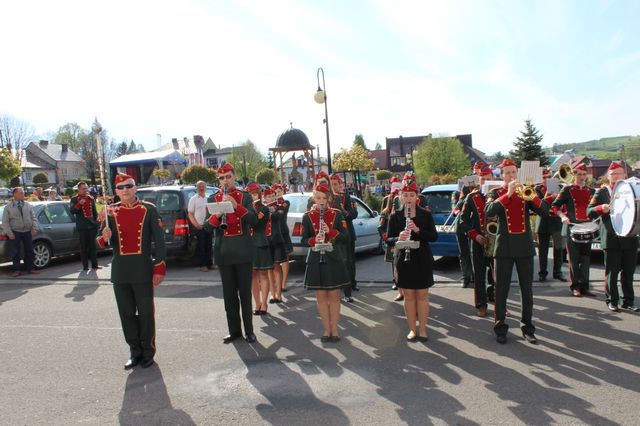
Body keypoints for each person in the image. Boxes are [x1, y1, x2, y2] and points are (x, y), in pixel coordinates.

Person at [96, 173, 166, 369]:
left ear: (135, 188)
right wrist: (104, 237)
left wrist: (159, 267)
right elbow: (99, 242)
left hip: (142, 269)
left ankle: (148, 351)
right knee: (126, 313)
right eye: (121, 187)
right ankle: (134, 351)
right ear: (116, 191)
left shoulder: (148, 209)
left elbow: (159, 241)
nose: (125, 190)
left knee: (145, 313)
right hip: (121, 271)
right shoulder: (111, 211)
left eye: (129, 186)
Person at [485, 159, 549, 345]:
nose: (511, 175)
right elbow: (489, 211)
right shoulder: (496, 192)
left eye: (514, 172)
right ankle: (500, 328)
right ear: (502, 175)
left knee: (526, 290)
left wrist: (533, 197)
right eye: (508, 173)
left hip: (524, 247)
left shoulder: (527, 191)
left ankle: (527, 328)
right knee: (501, 290)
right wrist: (509, 194)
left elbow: (545, 211)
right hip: (503, 248)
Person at [207, 163, 258, 343]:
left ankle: (249, 330)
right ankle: (234, 331)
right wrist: (217, 215)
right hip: (224, 253)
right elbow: (206, 227)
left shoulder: (245, 197)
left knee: (245, 294)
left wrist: (237, 206)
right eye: (222, 178)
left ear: (234, 176)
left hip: (243, 252)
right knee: (229, 296)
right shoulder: (213, 198)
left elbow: (254, 221)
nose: (225, 181)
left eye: (228, 177)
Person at [386, 179, 438, 342]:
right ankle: (412, 330)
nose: (408, 198)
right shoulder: (395, 215)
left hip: (422, 258)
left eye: (411, 195)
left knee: (422, 295)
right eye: (405, 195)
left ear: (417, 197)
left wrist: (418, 230)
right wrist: (398, 237)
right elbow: (388, 239)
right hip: (404, 260)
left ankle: (422, 330)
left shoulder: (425, 214)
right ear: (401, 196)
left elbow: (433, 236)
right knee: (408, 296)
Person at [587, 161, 639, 312]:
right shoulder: (602, 192)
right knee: (612, 272)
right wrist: (600, 208)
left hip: (630, 237)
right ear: (608, 176)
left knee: (628, 273)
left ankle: (628, 301)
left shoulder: (632, 190)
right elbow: (589, 212)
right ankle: (612, 301)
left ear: (625, 175)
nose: (616, 176)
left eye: (619, 173)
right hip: (611, 238)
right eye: (613, 174)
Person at [301, 183, 350, 342]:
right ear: (313, 198)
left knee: (334, 296)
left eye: (324, 198)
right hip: (316, 258)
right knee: (321, 297)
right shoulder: (307, 216)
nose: (321, 201)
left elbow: (346, 237)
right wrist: (315, 239)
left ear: (329, 198)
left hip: (333, 258)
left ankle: (334, 329)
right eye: (318, 198)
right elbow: (303, 240)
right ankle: (326, 330)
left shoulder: (337, 214)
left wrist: (332, 232)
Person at [552, 164, 596, 297]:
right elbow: (555, 206)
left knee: (586, 259)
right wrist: (562, 216)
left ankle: (585, 287)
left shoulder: (592, 191)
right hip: (572, 227)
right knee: (574, 259)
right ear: (574, 175)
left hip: (587, 228)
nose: (582, 177)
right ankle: (575, 286)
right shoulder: (567, 189)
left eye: (584, 174)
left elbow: (596, 208)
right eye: (579, 174)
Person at [459, 166, 495, 317]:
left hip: (497, 241)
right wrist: (475, 235)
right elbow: (463, 220)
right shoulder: (472, 197)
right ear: (479, 180)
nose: (486, 181)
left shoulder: (501, 195)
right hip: (478, 241)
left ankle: (499, 303)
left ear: (493, 179)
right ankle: (481, 304)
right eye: (483, 179)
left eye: (488, 178)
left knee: (498, 276)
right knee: (479, 276)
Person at [330, 174, 359, 300]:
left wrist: (343, 211)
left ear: (340, 185)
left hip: (347, 234)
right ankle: (339, 285)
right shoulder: (326, 197)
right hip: (333, 235)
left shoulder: (346, 197)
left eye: (335, 184)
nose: (333, 187)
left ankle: (352, 283)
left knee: (349, 261)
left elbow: (354, 214)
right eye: (331, 184)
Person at [534, 168, 566, 283]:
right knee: (543, 250)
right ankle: (542, 273)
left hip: (556, 221)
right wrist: (549, 195)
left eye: (549, 177)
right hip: (543, 222)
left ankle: (558, 272)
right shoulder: (537, 189)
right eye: (544, 178)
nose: (547, 180)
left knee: (558, 248)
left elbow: (564, 203)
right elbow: (538, 205)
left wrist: (558, 196)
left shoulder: (560, 187)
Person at [246, 182, 273, 315]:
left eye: (255, 194)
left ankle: (264, 303)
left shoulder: (264, 208)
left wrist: (250, 210)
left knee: (263, 274)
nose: (253, 197)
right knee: (252, 276)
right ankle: (257, 303)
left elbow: (255, 222)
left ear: (259, 195)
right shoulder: (246, 209)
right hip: (248, 244)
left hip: (260, 242)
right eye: (250, 195)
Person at [2, 187, 39, 277]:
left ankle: (31, 268)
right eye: (21, 193)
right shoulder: (8, 207)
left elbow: (33, 217)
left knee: (29, 250)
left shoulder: (28, 205)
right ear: (15, 194)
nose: (23, 194)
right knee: (15, 252)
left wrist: (34, 227)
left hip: (27, 231)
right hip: (15, 232)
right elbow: (5, 222)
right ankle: (17, 270)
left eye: (23, 193)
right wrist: (9, 233)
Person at [69, 182, 100, 271]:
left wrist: (97, 222)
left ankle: (94, 265)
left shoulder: (90, 198)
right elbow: (72, 211)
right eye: (83, 188)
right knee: (83, 247)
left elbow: (94, 212)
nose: (85, 190)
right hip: (82, 226)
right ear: (78, 189)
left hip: (92, 225)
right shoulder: (74, 199)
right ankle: (85, 266)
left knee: (93, 246)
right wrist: (79, 204)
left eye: (86, 188)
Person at [265, 187, 286, 303]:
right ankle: (272, 294)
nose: (271, 198)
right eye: (269, 197)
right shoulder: (262, 207)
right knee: (269, 268)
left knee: (277, 267)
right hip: (266, 241)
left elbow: (278, 216)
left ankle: (279, 294)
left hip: (276, 240)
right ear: (265, 198)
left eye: (273, 196)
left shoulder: (280, 206)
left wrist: (268, 211)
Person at [187, 181, 213, 272]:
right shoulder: (193, 199)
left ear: (206, 188)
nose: (201, 188)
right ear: (197, 188)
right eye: (199, 187)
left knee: (208, 246)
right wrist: (196, 225)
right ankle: (202, 265)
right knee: (201, 247)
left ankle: (209, 264)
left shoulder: (208, 199)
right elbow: (190, 214)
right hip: (198, 226)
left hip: (208, 226)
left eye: (203, 186)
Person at [273, 183, 292, 292]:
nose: (277, 193)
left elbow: (281, 210)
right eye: (275, 192)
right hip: (274, 233)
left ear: (283, 191)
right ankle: (276, 283)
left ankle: (284, 283)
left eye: (279, 191)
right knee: (274, 260)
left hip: (283, 232)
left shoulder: (285, 202)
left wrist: (275, 203)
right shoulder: (270, 204)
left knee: (285, 259)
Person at [453, 187, 473, 288]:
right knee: (464, 253)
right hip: (461, 228)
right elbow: (454, 210)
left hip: (473, 226)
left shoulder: (479, 194)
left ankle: (474, 276)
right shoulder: (459, 196)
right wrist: (463, 199)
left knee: (474, 253)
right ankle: (465, 277)